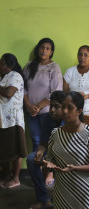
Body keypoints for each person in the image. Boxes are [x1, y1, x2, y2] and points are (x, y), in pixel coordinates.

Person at [43, 91, 89, 208]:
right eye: (64, 107)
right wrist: (47, 164)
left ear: (79, 111)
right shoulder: (55, 134)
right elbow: (49, 159)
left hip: (84, 193)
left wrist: (75, 168)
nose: (65, 111)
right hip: (62, 193)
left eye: (70, 108)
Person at [27, 91, 66, 209]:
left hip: (67, 155)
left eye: (56, 106)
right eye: (51, 106)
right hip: (51, 152)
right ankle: (43, 199)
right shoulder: (47, 119)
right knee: (31, 159)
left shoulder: (70, 120)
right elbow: (43, 142)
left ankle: (63, 199)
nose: (52, 110)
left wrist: (52, 159)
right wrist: (39, 152)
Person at [23, 38, 63, 152]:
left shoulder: (54, 67)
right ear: (38, 49)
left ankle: (47, 169)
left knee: (48, 141)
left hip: (47, 113)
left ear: (51, 52)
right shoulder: (29, 66)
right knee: (36, 141)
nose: (44, 50)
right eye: (42, 47)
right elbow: (23, 87)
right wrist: (28, 106)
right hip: (31, 112)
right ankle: (37, 169)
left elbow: (56, 92)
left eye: (47, 48)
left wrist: (38, 106)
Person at [0, 53, 27, 189]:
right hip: (3, 120)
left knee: (17, 149)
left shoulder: (15, 76)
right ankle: (7, 176)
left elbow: (9, 93)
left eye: (2, 63)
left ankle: (16, 178)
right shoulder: (4, 77)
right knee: (4, 149)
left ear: (9, 66)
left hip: (14, 120)